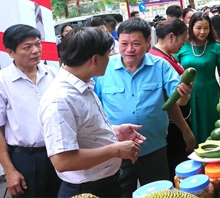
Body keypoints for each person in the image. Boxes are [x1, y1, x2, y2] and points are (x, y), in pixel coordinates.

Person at [39, 27, 146, 197]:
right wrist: (115, 150)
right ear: (95, 59)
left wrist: (114, 131)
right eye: (108, 56)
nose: (110, 60)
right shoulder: (60, 99)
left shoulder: (84, 85)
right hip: (86, 190)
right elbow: (62, 160)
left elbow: (83, 128)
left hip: (107, 184)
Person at [93, 18, 195, 197]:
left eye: (136, 44)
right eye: (124, 44)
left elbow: (177, 101)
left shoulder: (161, 66)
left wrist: (184, 93)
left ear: (148, 42)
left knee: (160, 193)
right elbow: (94, 108)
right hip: (117, 152)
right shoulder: (104, 69)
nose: (129, 49)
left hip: (153, 148)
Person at [0, 25, 61, 197]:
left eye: (37, 44)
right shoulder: (3, 82)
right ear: (11, 52)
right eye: (27, 47)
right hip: (26, 159)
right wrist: (10, 171)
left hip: (58, 153)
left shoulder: (53, 74)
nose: (35, 50)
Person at [177, 12, 220, 143]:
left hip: (211, 94)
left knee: (215, 131)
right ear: (191, 27)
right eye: (198, 28)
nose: (202, 31)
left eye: (206, 28)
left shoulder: (216, 47)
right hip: (188, 95)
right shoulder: (182, 47)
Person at [149, 19, 190, 182]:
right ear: (171, 37)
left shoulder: (168, 56)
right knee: (177, 167)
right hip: (173, 125)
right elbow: (177, 101)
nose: (184, 44)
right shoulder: (159, 61)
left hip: (178, 122)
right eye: (183, 39)